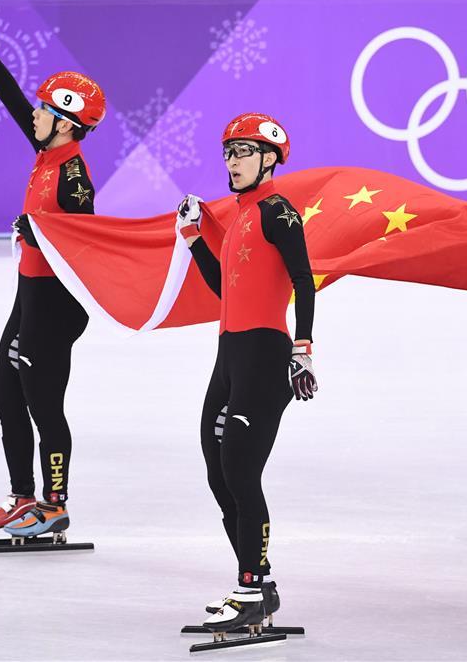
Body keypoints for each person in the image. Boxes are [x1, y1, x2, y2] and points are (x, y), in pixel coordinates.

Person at [0, 0, 106, 540]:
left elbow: (84, 243)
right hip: (29, 295)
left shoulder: (73, 177)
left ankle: (55, 504)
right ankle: (24, 497)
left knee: (44, 404)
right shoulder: (48, 150)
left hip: (55, 304)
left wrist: (40, 233)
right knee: (6, 392)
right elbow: (10, 98)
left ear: (67, 123)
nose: (36, 114)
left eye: (47, 110)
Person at [176, 113, 317, 632]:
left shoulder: (278, 212)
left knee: (240, 472)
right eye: (228, 153)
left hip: (264, 354)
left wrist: (302, 348)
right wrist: (193, 239)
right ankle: (257, 582)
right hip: (229, 353)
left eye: (243, 152)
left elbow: (305, 279)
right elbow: (226, 289)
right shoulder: (239, 216)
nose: (232, 162)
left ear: (269, 158)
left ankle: (252, 589)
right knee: (218, 471)